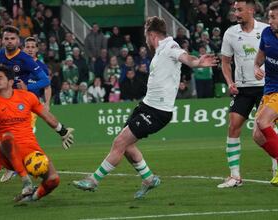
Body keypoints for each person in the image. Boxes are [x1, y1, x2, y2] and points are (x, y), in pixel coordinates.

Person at [72, 16, 217, 199]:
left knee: (119, 142)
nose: (145, 39)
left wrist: (197, 62)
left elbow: (185, 57)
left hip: (158, 111)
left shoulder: (169, 47)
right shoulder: (158, 51)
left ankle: (93, 180)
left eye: (146, 35)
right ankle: (149, 178)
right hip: (146, 105)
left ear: (151, 34)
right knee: (127, 145)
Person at [0, 65, 74, 202]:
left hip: (31, 149)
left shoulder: (27, 97)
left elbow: (47, 116)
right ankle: (25, 181)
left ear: (11, 82)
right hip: (7, 154)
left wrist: (63, 131)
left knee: (53, 180)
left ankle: (31, 198)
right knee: (7, 138)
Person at [0, 25, 50, 184]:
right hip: (2, 101)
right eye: (6, 38)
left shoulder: (25, 59)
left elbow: (46, 81)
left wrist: (28, 88)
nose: (9, 41)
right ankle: (10, 165)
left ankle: (3, 171)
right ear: (2, 40)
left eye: (12, 38)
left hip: (21, 104)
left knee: (16, 138)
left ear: (18, 41)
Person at [218, 0, 273, 188]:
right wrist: (230, 83)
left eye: (240, 10)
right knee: (233, 126)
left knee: (267, 130)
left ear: (251, 10)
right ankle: (235, 176)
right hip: (242, 88)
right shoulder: (230, 33)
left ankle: (276, 171)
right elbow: (225, 62)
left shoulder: (266, 30)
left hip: (265, 87)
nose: (236, 13)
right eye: (235, 10)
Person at [253, 1, 278, 186]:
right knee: (257, 135)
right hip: (268, 89)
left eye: (273, 17)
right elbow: (259, 59)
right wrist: (256, 68)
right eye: (269, 17)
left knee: (263, 122)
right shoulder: (267, 34)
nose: (270, 21)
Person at [23, 36, 52, 110]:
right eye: (28, 47)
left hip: (33, 104)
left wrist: (47, 103)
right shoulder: (17, 64)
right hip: (18, 103)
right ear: (24, 49)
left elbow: (47, 87)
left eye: (32, 47)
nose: (30, 49)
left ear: (36, 49)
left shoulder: (42, 67)